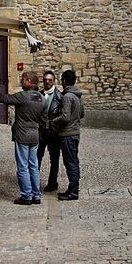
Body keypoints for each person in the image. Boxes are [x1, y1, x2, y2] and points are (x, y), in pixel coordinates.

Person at [0, 70, 47, 205]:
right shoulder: (42, 98)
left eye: (23, 79)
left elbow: (2, 98)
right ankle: (36, 195)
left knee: (22, 166)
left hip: (22, 135)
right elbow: (44, 119)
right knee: (33, 166)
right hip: (34, 136)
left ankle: (26, 196)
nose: (21, 82)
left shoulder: (23, 96)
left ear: (29, 81)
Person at [51, 69, 84, 201]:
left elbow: (65, 117)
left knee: (70, 163)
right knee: (74, 161)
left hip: (67, 134)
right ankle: (72, 188)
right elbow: (82, 114)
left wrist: (54, 120)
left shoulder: (67, 97)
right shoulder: (78, 96)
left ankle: (73, 191)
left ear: (64, 81)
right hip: (75, 133)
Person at [37, 70, 63, 192]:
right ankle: (34, 181)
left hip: (54, 132)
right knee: (37, 157)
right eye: (45, 80)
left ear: (54, 81)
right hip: (41, 131)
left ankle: (52, 183)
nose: (47, 82)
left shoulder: (59, 96)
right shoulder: (39, 95)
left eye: (50, 80)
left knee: (54, 159)